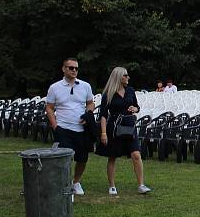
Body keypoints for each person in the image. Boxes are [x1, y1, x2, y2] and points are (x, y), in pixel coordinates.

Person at [97, 67, 151, 195]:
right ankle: (112, 186)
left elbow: (137, 106)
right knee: (112, 157)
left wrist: (135, 109)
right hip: (114, 127)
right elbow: (103, 115)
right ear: (119, 77)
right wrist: (103, 133)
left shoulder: (130, 91)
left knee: (136, 155)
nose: (128, 78)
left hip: (129, 125)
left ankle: (141, 184)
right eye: (125, 75)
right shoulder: (108, 94)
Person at [45, 58, 95, 195]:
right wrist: (55, 125)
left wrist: (88, 114)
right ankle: (63, 183)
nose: (74, 70)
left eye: (76, 68)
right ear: (64, 69)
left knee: (82, 158)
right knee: (64, 158)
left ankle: (76, 182)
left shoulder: (85, 86)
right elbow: (49, 108)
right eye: (71, 68)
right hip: (63, 127)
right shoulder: (55, 88)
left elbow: (90, 103)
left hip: (80, 129)